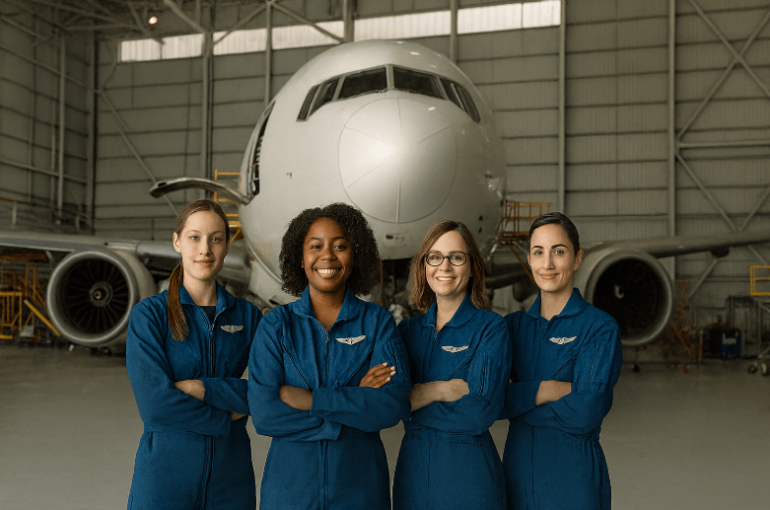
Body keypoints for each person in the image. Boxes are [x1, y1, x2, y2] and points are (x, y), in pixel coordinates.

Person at [248, 202, 411, 510]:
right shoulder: (276, 326)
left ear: (355, 255)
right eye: (315, 246)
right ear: (301, 257)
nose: (328, 256)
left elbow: (392, 406)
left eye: (340, 246)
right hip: (290, 495)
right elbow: (265, 415)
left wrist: (313, 401)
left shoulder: (377, 323)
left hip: (360, 494)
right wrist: (354, 401)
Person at [126, 199, 262, 510]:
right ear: (177, 242)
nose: (206, 249)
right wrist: (227, 416)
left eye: (216, 239)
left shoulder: (249, 317)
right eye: (194, 237)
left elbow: (269, 390)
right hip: (164, 478)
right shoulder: (150, 316)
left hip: (231, 480)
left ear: (227, 246)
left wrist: (204, 388)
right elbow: (155, 405)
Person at [500, 212, 623, 510]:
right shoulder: (512, 327)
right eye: (538, 252)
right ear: (529, 260)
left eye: (559, 251)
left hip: (573, 478)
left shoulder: (599, 327)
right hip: (517, 477)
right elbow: (492, 401)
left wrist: (520, 400)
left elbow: (587, 410)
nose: (548, 264)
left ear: (577, 258)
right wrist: (548, 389)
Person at [392, 221, 511, 510]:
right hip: (413, 475)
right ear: (424, 266)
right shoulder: (406, 332)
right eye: (435, 257)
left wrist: (413, 401)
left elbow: (480, 412)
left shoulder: (491, 329)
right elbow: (389, 404)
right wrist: (440, 390)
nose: (444, 267)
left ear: (472, 267)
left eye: (456, 257)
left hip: (469, 476)